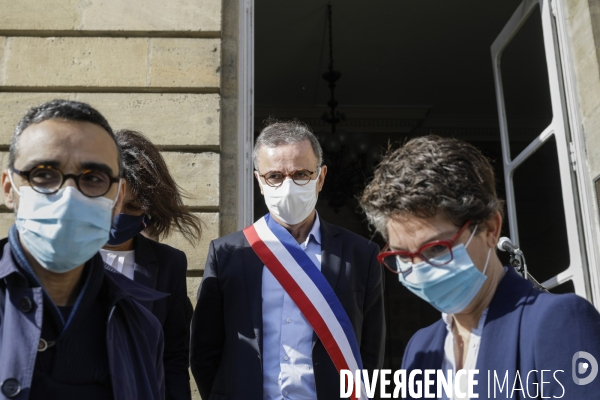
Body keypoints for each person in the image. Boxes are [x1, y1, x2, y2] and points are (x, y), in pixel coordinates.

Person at [360, 135, 600, 398]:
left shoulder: (558, 322)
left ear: (490, 228)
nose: (419, 268)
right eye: (403, 255)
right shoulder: (420, 348)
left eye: (437, 248)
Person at [191, 121, 385, 400]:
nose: (288, 185)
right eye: (275, 176)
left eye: (301, 174)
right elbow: (204, 350)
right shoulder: (227, 254)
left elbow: (370, 351)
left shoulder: (360, 254)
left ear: (321, 177)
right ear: (259, 181)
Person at [0, 100, 165, 400]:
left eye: (93, 179)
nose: (68, 195)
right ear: (9, 188)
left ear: (118, 199)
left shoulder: (141, 328)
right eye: (44, 174)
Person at [101, 129, 202, 400]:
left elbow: (174, 356)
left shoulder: (170, 264)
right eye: (113, 202)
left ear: (150, 211)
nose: (119, 214)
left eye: (133, 207)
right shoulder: (60, 259)